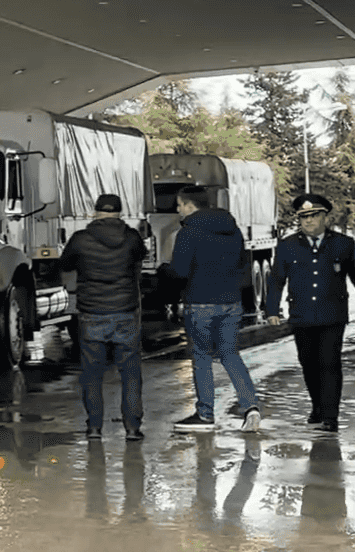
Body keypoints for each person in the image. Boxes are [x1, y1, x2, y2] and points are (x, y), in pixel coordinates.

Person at [165, 185, 261, 433]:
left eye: (179, 204)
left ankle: (205, 414)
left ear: (189, 205)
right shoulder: (233, 229)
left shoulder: (188, 232)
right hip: (231, 301)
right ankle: (250, 406)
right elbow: (243, 266)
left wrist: (163, 272)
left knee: (202, 357)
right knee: (230, 354)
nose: (178, 210)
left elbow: (180, 271)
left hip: (200, 301)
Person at [59, 193, 147, 441]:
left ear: (95, 212)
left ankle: (94, 428)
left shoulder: (80, 240)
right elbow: (141, 259)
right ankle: (132, 428)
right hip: (125, 313)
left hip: (92, 314)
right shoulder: (131, 238)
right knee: (130, 373)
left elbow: (65, 265)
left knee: (92, 374)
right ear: (119, 213)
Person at [265, 193, 355, 432]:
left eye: (314, 216)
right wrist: (272, 309)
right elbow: (276, 280)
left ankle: (330, 416)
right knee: (308, 363)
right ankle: (317, 406)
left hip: (332, 314)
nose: (308, 222)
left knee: (330, 363)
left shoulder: (344, 244)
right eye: (304, 217)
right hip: (301, 314)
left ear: (325, 217)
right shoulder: (288, 245)